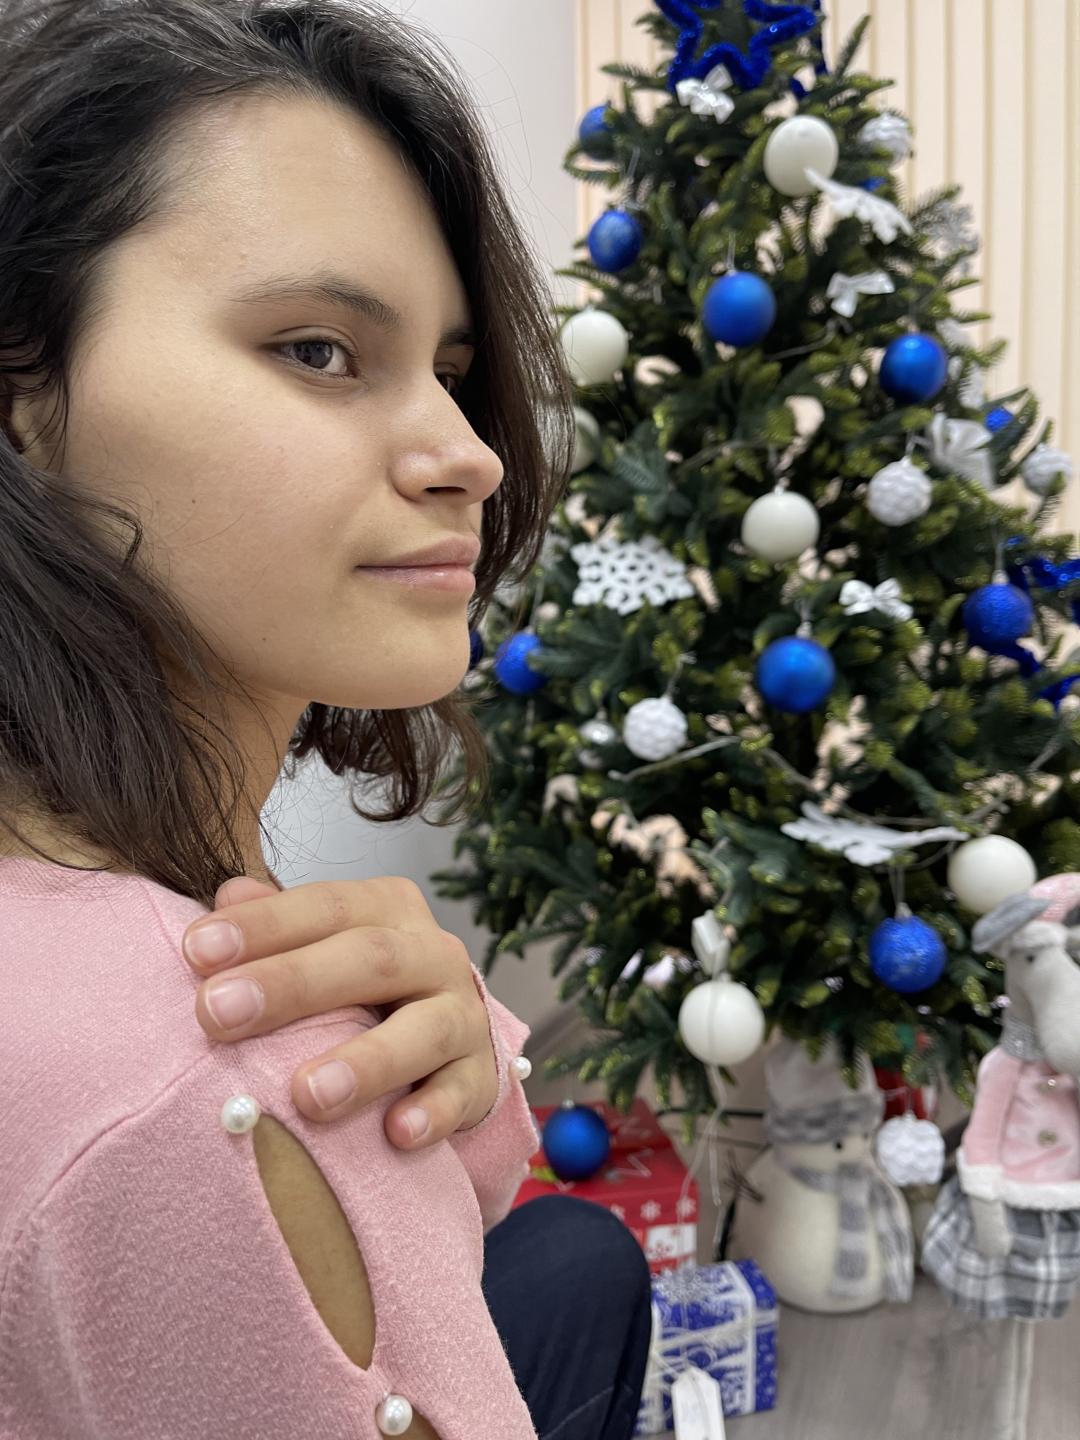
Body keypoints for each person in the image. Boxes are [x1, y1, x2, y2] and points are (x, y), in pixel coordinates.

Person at [0, 2, 653, 1436]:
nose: (471, 457)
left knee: (579, 1256)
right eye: (316, 350)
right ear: (23, 401)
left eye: (452, 374)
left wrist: (458, 1052)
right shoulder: (212, 1083)